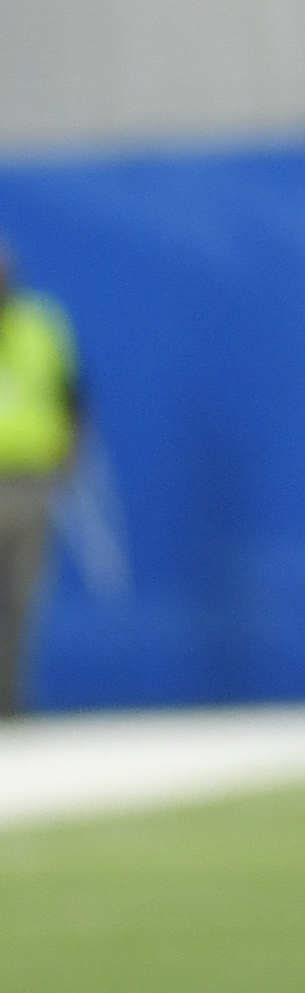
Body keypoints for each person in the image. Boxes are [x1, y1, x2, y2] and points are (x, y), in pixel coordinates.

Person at [0, 239, 79, 719]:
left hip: (31, 480)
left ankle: (11, 699)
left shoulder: (39, 327)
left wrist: (65, 463)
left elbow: (73, 399)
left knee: (22, 599)